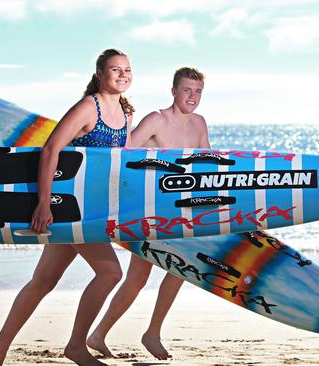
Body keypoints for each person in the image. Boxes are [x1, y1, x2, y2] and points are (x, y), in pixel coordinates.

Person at [0, 48, 134, 366]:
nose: (122, 75)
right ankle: (77, 346)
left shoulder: (125, 114)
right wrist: (43, 202)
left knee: (44, 280)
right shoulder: (87, 107)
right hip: (70, 207)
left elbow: (123, 163)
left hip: (93, 208)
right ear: (99, 74)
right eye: (115, 69)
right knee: (110, 272)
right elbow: (51, 149)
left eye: (127, 70)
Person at [87, 67, 210, 360]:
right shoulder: (157, 119)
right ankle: (113, 333)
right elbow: (125, 153)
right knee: (140, 278)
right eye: (186, 90)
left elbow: (208, 165)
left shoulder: (199, 124)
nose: (192, 97)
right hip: (147, 210)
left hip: (179, 212)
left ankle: (118, 333)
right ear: (174, 91)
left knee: (177, 270)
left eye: (197, 91)